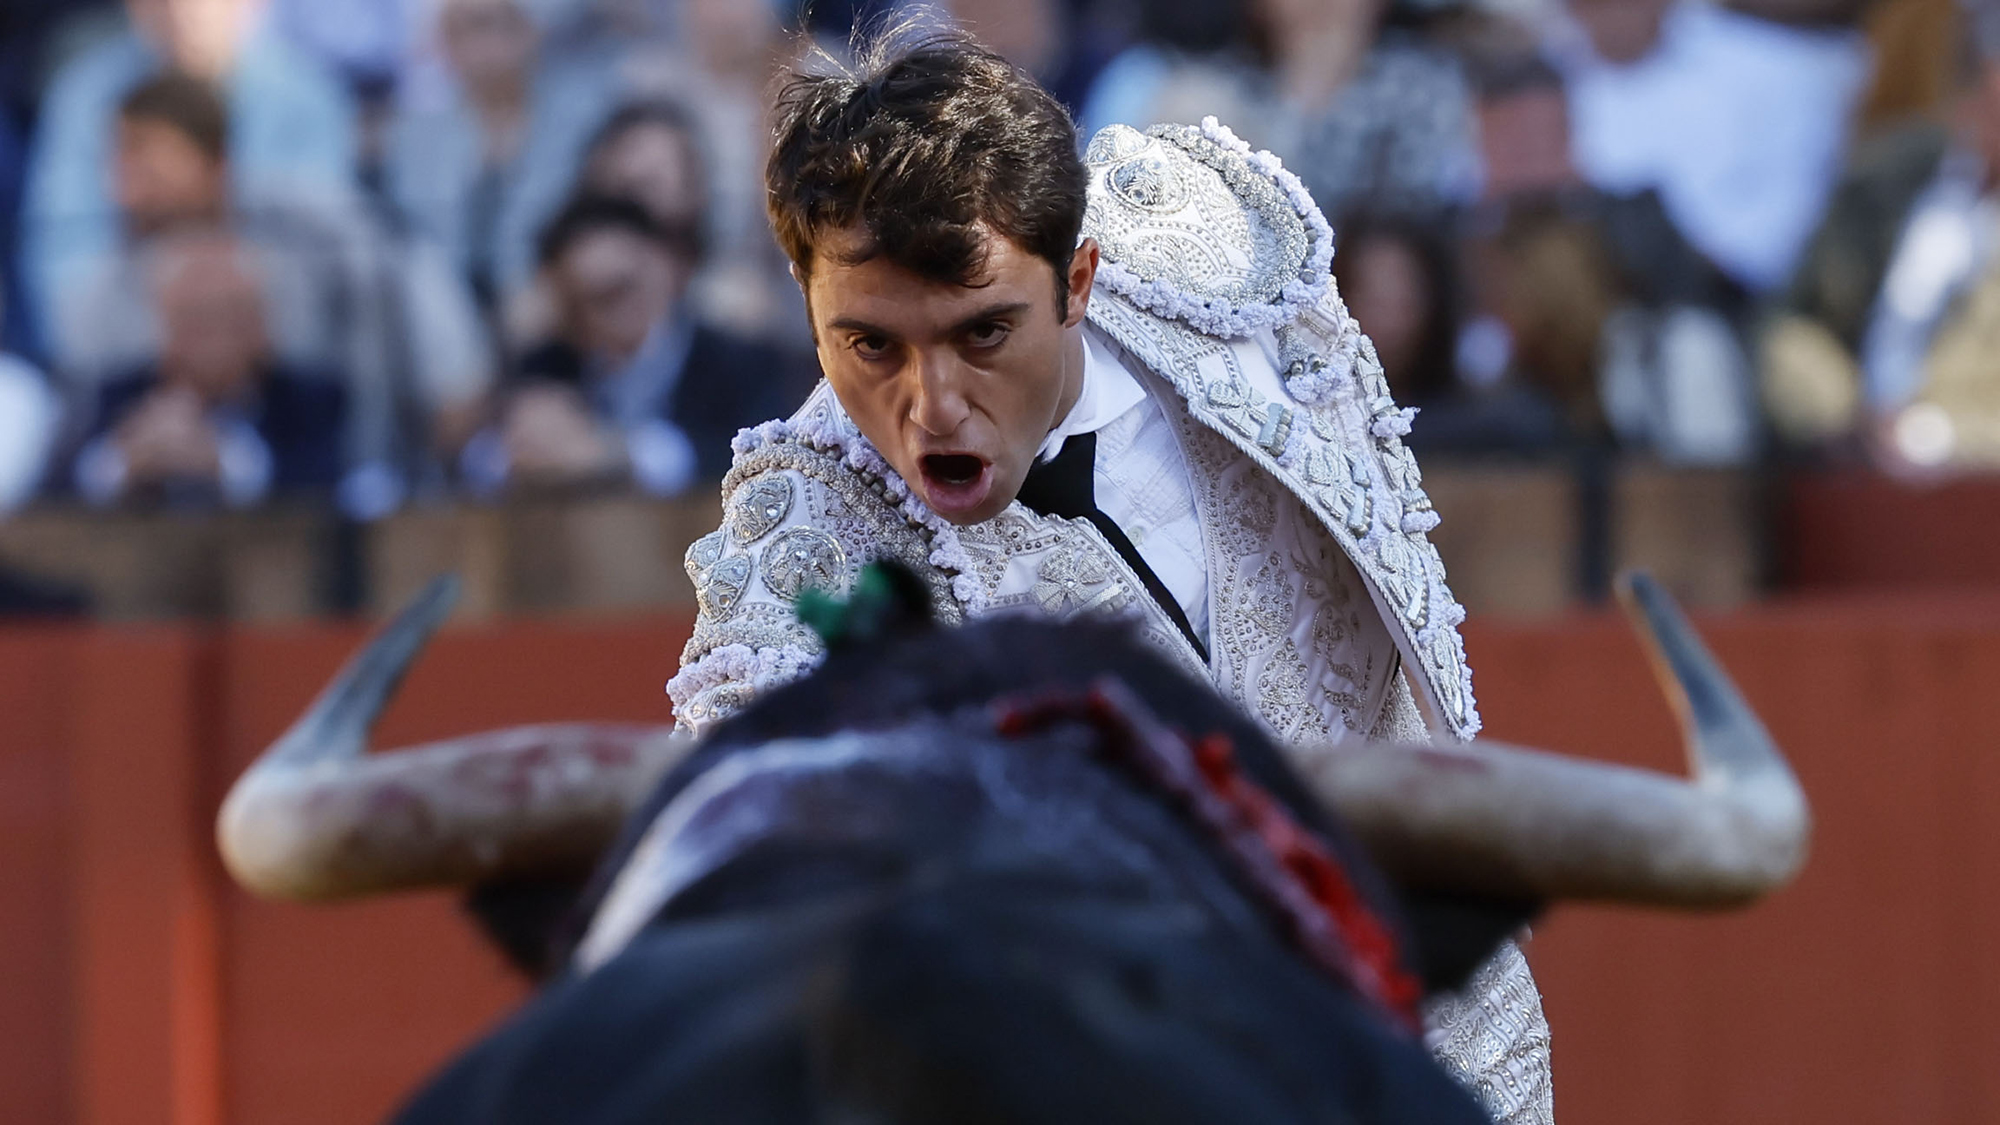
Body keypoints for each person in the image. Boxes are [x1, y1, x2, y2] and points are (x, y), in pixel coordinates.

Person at [670, 29, 1551, 1123]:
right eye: (869, 347)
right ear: (806, 306)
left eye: (982, 332)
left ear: (1077, 279)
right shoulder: (812, 536)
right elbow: (748, 836)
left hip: (1447, 1034)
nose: (931, 405)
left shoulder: (1207, 252)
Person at [55, 72, 494, 513]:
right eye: (118, 162)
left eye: (145, 158)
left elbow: (444, 359)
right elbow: (86, 438)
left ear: (214, 161)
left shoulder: (326, 233)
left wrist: (454, 394)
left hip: (362, 483)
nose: (125, 187)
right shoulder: (111, 286)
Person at [21, 0, 358, 347]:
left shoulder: (307, 93)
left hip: (278, 361)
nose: (182, 11)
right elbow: (63, 263)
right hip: (127, 358)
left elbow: (319, 261)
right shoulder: (86, 94)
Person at [1763, 6, 2000, 471]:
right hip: (1853, 472)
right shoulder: (1889, 178)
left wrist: (1934, 436)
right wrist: (1842, 413)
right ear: (1967, 95)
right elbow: (1792, 326)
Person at [462, 196, 818, 496]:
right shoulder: (547, 366)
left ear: (664, 266)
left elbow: (763, 459)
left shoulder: (742, 362)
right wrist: (516, 449)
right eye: (587, 299)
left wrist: (614, 454)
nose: (611, 312)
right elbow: (476, 463)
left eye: (622, 287)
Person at [70, 229, 348, 508]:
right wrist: (125, 463)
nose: (213, 337)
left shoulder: (311, 402)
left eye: (230, 314)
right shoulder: (120, 397)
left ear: (263, 328)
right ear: (163, 328)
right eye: (193, 316)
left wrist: (223, 462)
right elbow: (60, 485)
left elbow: (329, 485)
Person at [385, 0, 617, 313]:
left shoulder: (581, 125)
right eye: (475, 28)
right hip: (442, 313)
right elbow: (409, 239)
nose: (492, 45)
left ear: (531, 32)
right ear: (447, 42)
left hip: (556, 305)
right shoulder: (415, 138)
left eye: (505, 25)